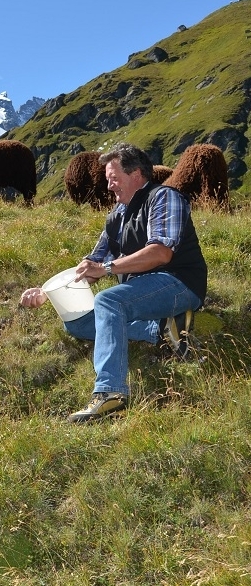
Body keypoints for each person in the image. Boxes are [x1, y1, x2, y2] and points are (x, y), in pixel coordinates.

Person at [20, 142, 207, 423]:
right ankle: (161, 329)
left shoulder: (164, 198)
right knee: (77, 322)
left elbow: (161, 252)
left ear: (137, 175)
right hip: (140, 295)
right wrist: (45, 292)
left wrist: (107, 268)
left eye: (114, 179)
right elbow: (90, 265)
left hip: (179, 284)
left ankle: (110, 393)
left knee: (108, 300)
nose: (109, 187)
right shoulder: (116, 216)